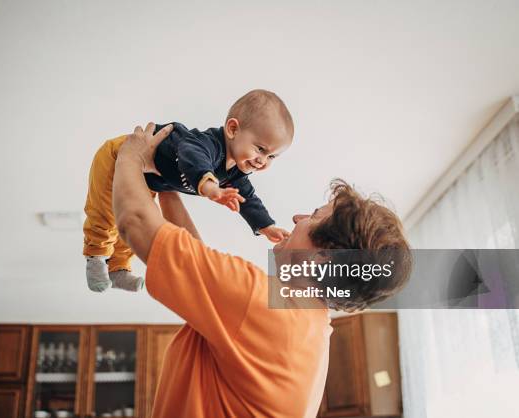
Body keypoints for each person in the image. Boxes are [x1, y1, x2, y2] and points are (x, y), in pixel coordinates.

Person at [112, 123, 412, 417]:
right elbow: (195, 261)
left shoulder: (263, 308)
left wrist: (130, 156)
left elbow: (135, 222)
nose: (297, 218)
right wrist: (168, 185)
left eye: (314, 216)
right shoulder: (306, 326)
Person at [83, 89, 294, 292]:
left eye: (272, 157)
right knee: (105, 214)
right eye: (260, 149)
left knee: (127, 217)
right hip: (119, 156)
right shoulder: (208, 144)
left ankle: (118, 268)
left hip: (147, 177)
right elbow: (191, 156)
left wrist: (266, 226)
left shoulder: (236, 173)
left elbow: (248, 199)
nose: (262, 161)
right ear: (232, 129)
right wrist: (209, 186)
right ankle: (96, 256)